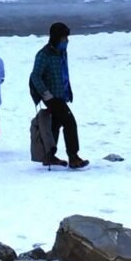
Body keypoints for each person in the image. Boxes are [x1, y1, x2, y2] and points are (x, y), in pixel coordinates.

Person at [29, 22, 89, 168]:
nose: (67, 41)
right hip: (52, 97)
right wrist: (46, 93)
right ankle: (73, 157)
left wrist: (67, 91)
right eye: (64, 38)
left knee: (55, 124)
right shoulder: (44, 55)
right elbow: (35, 76)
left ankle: (49, 155)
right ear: (57, 38)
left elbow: (63, 74)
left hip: (61, 95)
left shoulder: (62, 53)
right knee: (69, 123)